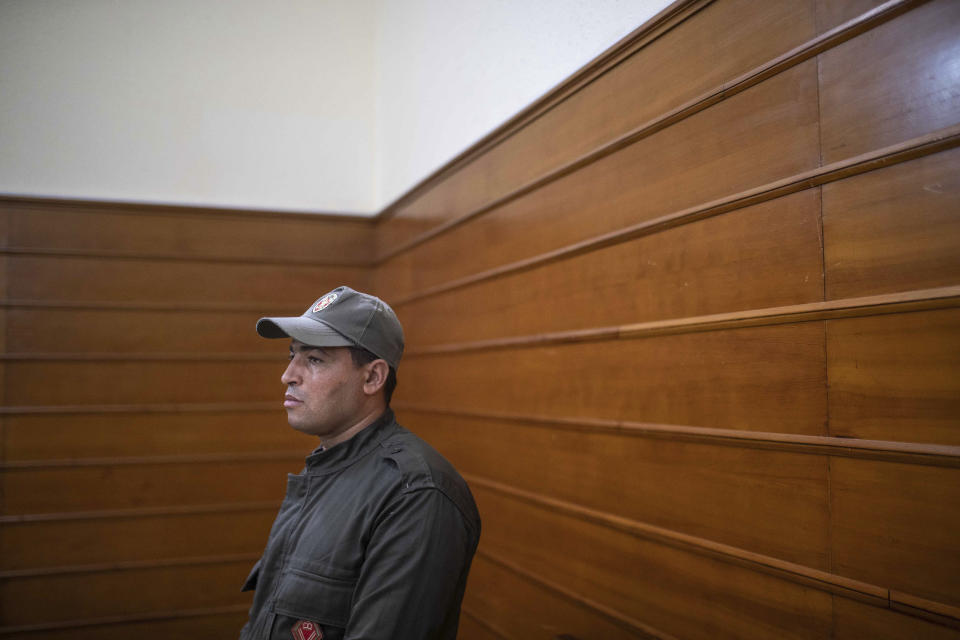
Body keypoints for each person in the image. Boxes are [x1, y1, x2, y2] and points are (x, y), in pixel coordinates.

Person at [239, 286, 481, 640]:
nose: (288, 374)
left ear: (372, 377)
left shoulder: (416, 495)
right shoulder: (327, 466)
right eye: (292, 355)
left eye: (314, 359)